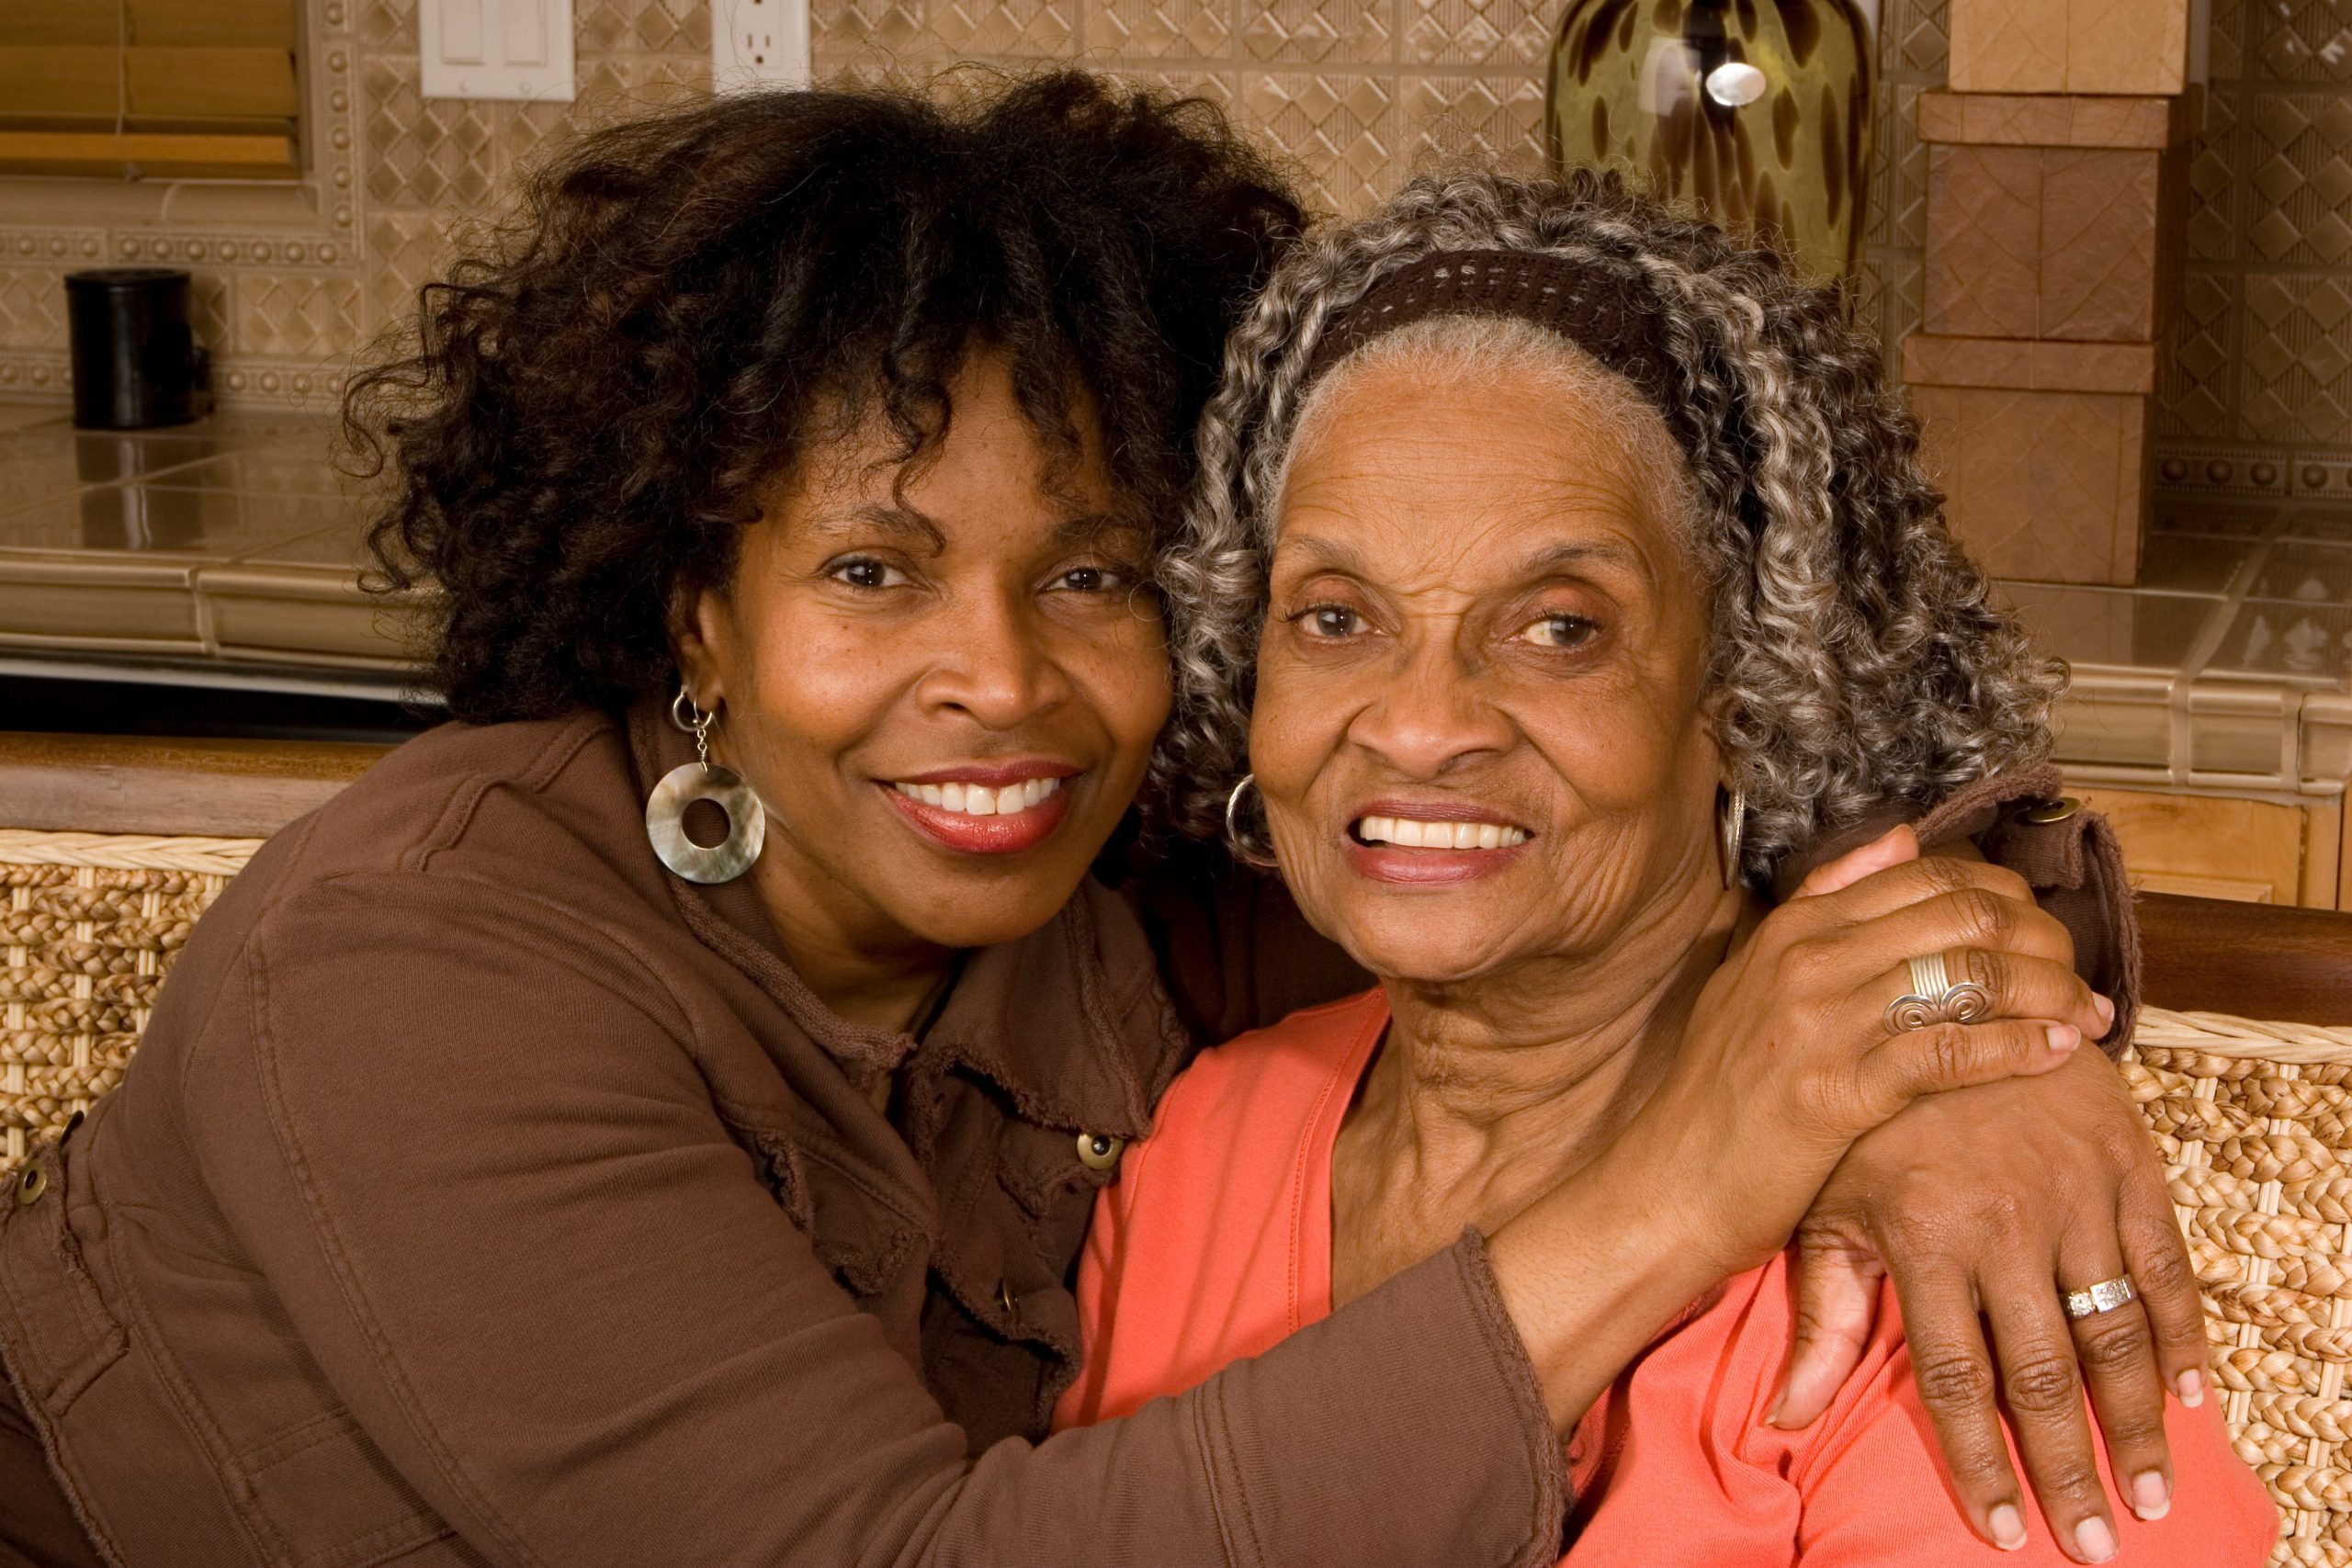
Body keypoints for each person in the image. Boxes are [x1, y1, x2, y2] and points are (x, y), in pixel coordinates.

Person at [0, 77, 2197, 1568]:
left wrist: (1952, 1044)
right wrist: (1703, 1165)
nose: (1002, 677)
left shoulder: (1122, 867)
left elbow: (1582, 821)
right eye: (871, 571)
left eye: (1093, 574)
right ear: (699, 599)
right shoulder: (411, 971)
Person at [1058, 166, 2276, 1564]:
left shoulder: (1936, 1249)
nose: (1419, 722)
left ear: (1741, 692)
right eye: (1335, 617)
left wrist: (1966, 1038)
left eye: (1561, 627)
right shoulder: (1200, 1153)